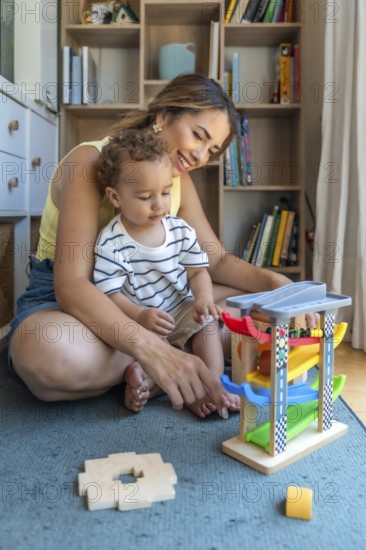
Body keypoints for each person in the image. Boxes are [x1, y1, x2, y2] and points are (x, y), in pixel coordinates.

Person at [8, 73, 317, 417]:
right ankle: (167, 357)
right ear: (163, 116)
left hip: (158, 298)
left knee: (255, 312)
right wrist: (153, 349)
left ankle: (154, 366)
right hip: (74, 304)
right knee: (47, 354)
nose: (200, 155)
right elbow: (72, 285)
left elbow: (214, 260)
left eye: (212, 150)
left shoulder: (177, 181)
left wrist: (280, 285)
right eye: (198, 135)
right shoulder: (89, 162)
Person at [93, 128, 240, 417]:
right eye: (146, 196)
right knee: (149, 349)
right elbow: (109, 295)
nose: (159, 204)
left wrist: (203, 299)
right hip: (143, 320)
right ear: (115, 196)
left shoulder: (179, 229)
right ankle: (191, 394)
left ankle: (213, 383)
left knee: (209, 324)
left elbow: (198, 272)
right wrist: (139, 316)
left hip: (181, 308)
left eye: (165, 192)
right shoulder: (111, 241)